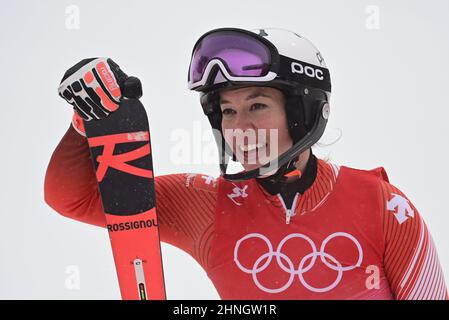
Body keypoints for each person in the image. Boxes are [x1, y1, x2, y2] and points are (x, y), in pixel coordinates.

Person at [45, 27, 448, 299]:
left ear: (304, 112)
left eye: (257, 104)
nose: (239, 126)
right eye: (228, 111)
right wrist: (89, 121)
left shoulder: (384, 207)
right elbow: (74, 199)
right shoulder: (205, 204)